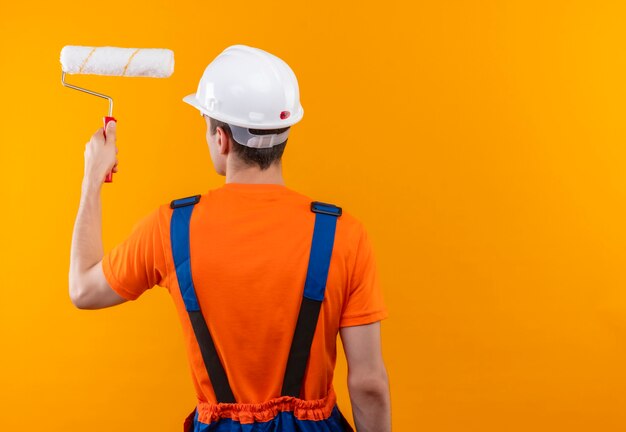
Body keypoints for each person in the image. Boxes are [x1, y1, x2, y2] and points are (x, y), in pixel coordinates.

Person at [69, 44, 391, 432]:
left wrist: (92, 179)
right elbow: (369, 384)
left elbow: (83, 290)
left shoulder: (171, 227)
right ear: (284, 133)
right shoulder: (343, 233)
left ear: (221, 138)